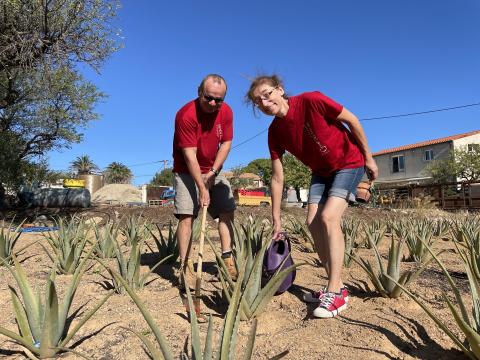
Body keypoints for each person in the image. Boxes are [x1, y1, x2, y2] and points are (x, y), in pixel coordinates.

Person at [245, 75, 378, 318]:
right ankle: (334, 285)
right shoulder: (275, 132)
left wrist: (368, 157)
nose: (264, 102)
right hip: (321, 172)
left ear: (280, 90)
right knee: (312, 223)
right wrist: (276, 218)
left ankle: (335, 291)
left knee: (328, 218)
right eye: (257, 102)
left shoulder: (311, 100)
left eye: (267, 94)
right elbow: (277, 177)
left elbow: (352, 120)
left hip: (349, 162)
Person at [172, 74, 237, 291]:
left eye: (218, 99)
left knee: (227, 210)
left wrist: (214, 172)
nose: (213, 103)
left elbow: (226, 143)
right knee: (187, 216)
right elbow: (189, 155)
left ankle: (227, 258)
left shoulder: (226, 112)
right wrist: (201, 187)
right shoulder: (186, 115)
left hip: (212, 169)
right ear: (199, 92)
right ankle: (186, 265)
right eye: (208, 97)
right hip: (186, 171)